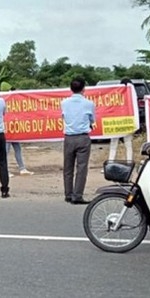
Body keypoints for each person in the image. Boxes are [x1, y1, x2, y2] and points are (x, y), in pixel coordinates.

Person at [61, 77, 95, 205]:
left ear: (71, 89)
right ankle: (77, 195)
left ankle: (68, 194)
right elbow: (92, 120)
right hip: (83, 137)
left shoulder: (64, 103)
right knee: (81, 168)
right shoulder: (89, 103)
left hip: (69, 137)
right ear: (83, 89)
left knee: (68, 167)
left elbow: (64, 116)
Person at [1, 84, 34, 176]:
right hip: (7, 129)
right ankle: (5, 170)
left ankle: (22, 168)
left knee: (17, 149)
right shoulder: (2, 100)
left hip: (14, 128)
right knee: (6, 151)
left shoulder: (10, 99)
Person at [108, 78, 134, 163]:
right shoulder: (132, 95)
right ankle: (129, 163)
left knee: (113, 145)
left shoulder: (115, 95)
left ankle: (110, 162)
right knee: (128, 144)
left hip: (116, 122)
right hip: (127, 122)